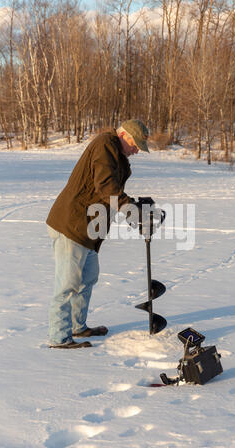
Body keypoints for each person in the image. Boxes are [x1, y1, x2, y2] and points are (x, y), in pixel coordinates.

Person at [46, 119, 150, 349]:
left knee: (88, 278)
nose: (136, 151)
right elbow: (106, 186)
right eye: (136, 145)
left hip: (90, 229)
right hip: (71, 224)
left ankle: (77, 327)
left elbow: (112, 189)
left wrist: (133, 206)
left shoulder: (116, 152)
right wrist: (128, 208)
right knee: (67, 284)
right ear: (125, 135)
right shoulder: (105, 144)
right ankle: (59, 337)